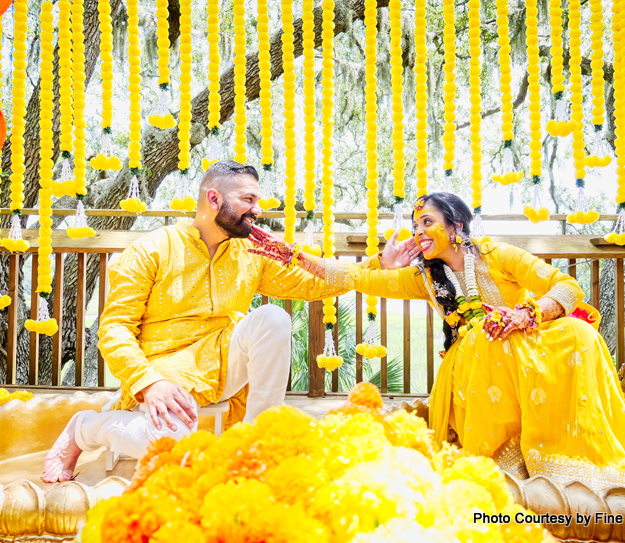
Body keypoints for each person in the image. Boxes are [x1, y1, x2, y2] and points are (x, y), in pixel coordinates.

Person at [248, 192, 625, 489]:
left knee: (579, 332)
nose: (419, 232)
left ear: (456, 226)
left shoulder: (498, 255)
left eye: (427, 222)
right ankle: (506, 459)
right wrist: (294, 255)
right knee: (482, 340)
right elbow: (358, 276)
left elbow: (566, 285)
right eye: (416, 224)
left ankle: (564, 453)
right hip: (472, 360)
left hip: (523, 339)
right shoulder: (423, 278)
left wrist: (525, 314)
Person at [42, 161, 411, 483]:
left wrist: (377, 266)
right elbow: (114, 328)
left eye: (257, 201)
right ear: (214, 199)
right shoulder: (152, 248)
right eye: (249, 200)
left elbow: (309, 283)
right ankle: (85, 429)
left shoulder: (252, 253)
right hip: (166, 373)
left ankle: (254, 443)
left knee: (272, 318)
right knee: (166, 446)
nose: (258, 210)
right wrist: (148, 382)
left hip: (223, 362)